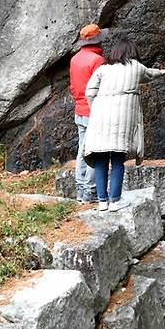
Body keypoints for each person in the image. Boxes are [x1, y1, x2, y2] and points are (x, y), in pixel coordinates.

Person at [84, 37, 165, 211]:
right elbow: (150, 74)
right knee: (117, 161)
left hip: (100, 117)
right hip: (122, 122)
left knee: (100, 159)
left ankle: (102, 201)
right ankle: (115, 201)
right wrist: (162, 72)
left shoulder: (103, 69)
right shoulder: (136, 67)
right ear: (132, 52)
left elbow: (90, 92)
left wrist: (95, 110)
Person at [69, 23, 108, 203]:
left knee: (82, 151)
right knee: (96, 152)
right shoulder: (97, 61)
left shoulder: (75, 59)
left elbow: (72, 87)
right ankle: (90, 192)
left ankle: (80, 190)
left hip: (79, 110)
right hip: (95, 111)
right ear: (98, 41)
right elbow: (103, 89)